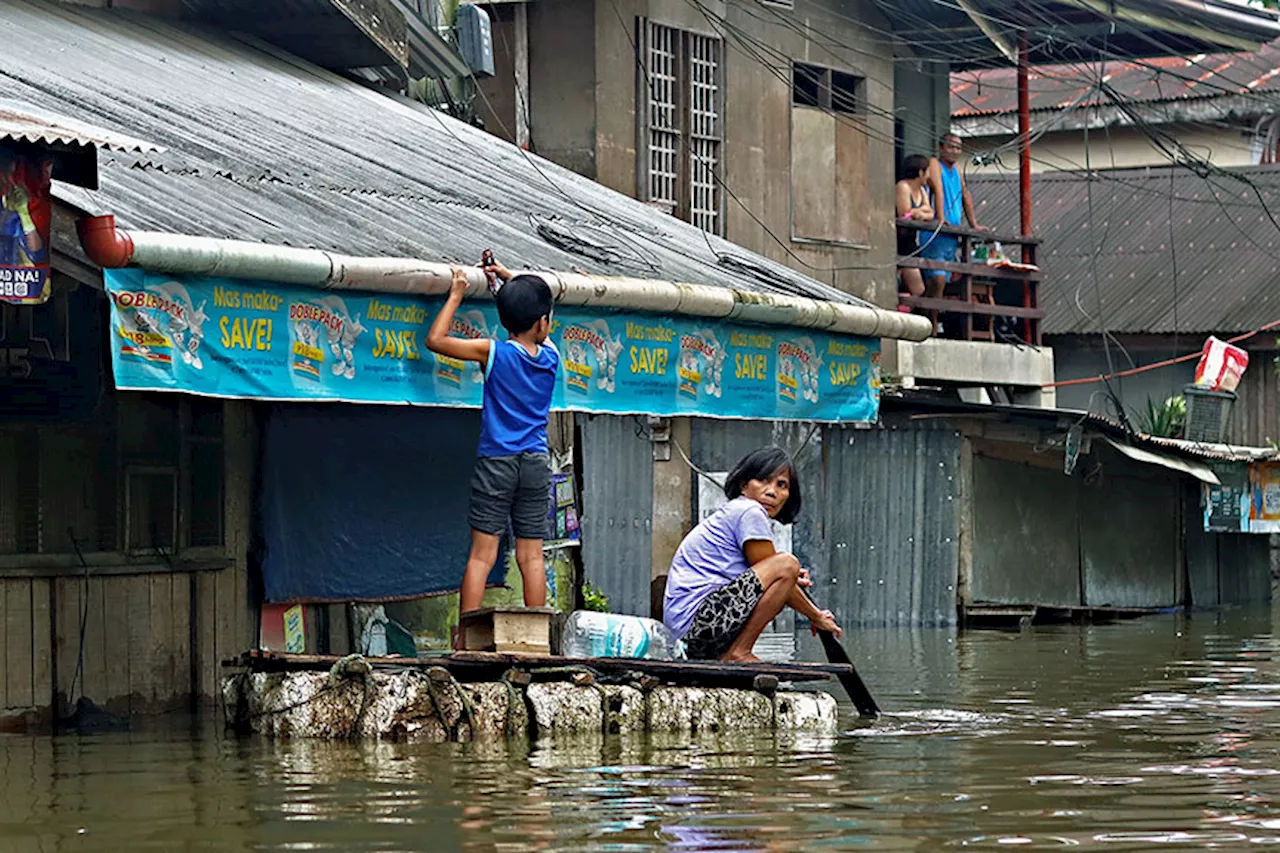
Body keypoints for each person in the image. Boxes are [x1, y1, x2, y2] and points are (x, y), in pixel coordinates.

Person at [426, 259, 560, 638]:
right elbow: (535, 322)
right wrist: (508, 278)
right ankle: (539, 642)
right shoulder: (551, 357)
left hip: (497, 462)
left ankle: (467, 642)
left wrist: (456, 294)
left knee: (482, 556)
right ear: (542, 323)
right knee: (530, 556)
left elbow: (435, 340)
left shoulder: (494, 352)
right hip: (535, 462)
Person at [663, 446, 842, 662]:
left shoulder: (737, 511)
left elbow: (768, 579)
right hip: (699, 627)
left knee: (786, 573)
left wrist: (789, 580)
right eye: (763, 480)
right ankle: (740, 652)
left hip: (692, 635)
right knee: (787, 564)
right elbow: (780, 570)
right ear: (744, 484)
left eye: (781, 485)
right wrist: (817, 616)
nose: (771, 491)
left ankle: (732, 652)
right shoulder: (749, 511)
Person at [923, 133, 983, 294]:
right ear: (941, 148)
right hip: (935, 233)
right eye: (950, 147)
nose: (955, 151)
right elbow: (938, 190)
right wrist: (941, 218)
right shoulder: (934, 163)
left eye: (958, 148)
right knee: (937, 280)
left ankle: (932, 317)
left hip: (951, 234)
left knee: (944, 283)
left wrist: (974, 224)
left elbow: (965, 195)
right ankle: (931, 319)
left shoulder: (956, 169)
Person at [895, 153, 934, 298]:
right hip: (899, 241)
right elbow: (904, 212)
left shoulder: (922, 191)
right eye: (927, 171)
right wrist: (921, 212)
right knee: (917, 289)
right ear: (920, 172)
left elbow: (930, 213)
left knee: (918, 289)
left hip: (911, 241)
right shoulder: (903, 187)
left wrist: (919, 213)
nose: (929, 176)